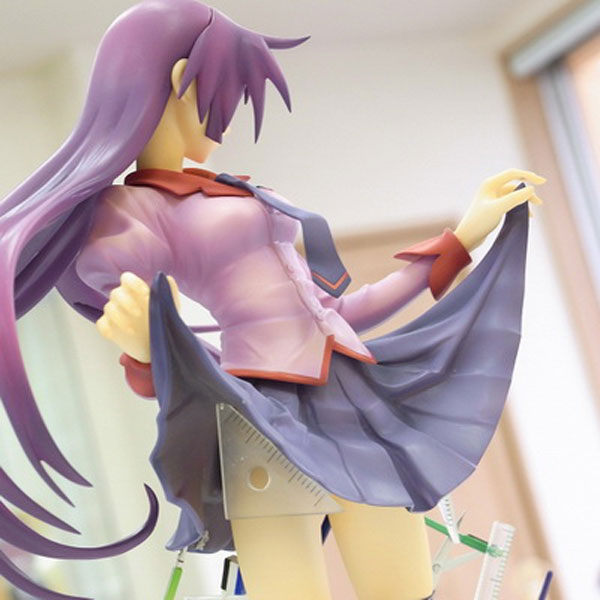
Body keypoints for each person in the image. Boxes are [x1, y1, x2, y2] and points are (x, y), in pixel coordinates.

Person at [0, 2, 544, 599]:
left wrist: (461, 240)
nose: (229, 120)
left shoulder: (234, 190)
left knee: (407, 591)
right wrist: (146, 347)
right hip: (261, 422)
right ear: (181, 79)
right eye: (223, 95)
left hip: (351, 400)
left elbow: (333, 316)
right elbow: (149, 329)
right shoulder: (131, 213)